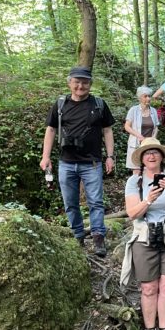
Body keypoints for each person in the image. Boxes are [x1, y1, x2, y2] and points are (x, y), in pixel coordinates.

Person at [40, 66, 116, 256]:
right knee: (70, 203)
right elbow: (50, 130)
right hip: (66, 162)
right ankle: (78, 236)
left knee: (96, 202)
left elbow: (107, 130)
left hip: (92, 163)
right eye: (77, 82)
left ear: (90, 84)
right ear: (70, 83)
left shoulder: (98, 104)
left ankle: (98, 237)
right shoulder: (60, 105)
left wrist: (110, 156)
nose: (80, 86)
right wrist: (45, 156)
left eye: (85, 82)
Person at [120, 138, 165, 330]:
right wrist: (148, 200)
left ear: (161, 156)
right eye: (147, 153)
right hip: (144, 237)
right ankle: (150, 328)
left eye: (155, 152)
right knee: (149, 288)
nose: (151, 155)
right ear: (142, 158)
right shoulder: (134, 181)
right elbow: (132, 213)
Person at [125, 86, 160, 174]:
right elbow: (127, 126)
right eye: (145, 96)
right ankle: (136, 188)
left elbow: (156, 127)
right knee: (137, 170)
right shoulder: (133, 110)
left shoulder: (153, 111)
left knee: (150, 170)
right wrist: (139, 136)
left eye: (149, 96)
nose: (148, 98)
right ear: (140, 98)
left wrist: (153, 139)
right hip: (136, 144)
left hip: (149, 145)